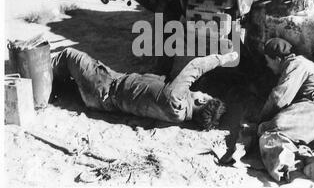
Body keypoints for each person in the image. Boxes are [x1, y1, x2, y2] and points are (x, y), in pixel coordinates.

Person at [51, 47, 238, 130]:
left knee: (68, 55)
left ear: (201, 101)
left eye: (202, 94)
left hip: (103, 88)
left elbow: (196, 67)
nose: (199, 92)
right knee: (73, 78)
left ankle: (35, 89)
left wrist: (225, 58)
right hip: (108, 100)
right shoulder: (179, 117)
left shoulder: (175, 98)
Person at [256, 38, 314, 183]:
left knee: (271, 131)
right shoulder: (304, 63)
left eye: (268, 61)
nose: (267, 65)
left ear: (278, 59)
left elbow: (279, 98)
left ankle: (292, 170)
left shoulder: (296, 64)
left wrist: (261, 122)